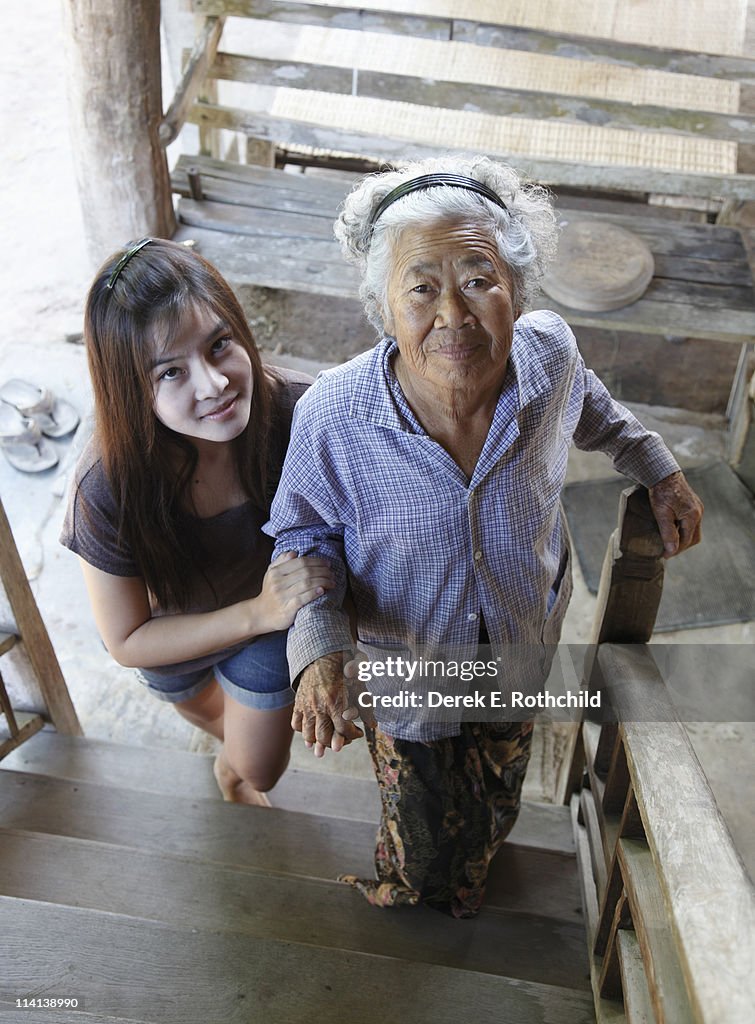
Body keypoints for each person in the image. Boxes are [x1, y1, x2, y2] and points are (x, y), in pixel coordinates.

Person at [265, 156, 704, 916]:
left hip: (518, 645)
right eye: (421, 288)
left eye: (477, 278)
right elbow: (303, 541)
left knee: (500, 783)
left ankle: (475, 863)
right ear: (382, 307)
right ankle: (417, 893)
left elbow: (597, 413)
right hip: (407, 672)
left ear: (517, 289)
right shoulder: (333, 417)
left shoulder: (550, 358)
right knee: (419, 823)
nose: (453, 316)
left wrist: (658, 471)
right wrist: (318, 652)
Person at [61, 238, 334, 805]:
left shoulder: (301, 413)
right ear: (130, 388)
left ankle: (236, 765)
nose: (213, 385)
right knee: (213, 719)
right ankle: (230, 752)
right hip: (172, 638)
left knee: (259, 770)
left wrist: (275, 621)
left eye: (219, 345)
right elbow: (127, 638)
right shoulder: (107, 485)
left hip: (270, 621)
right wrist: (252, 613)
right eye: (169, 373)